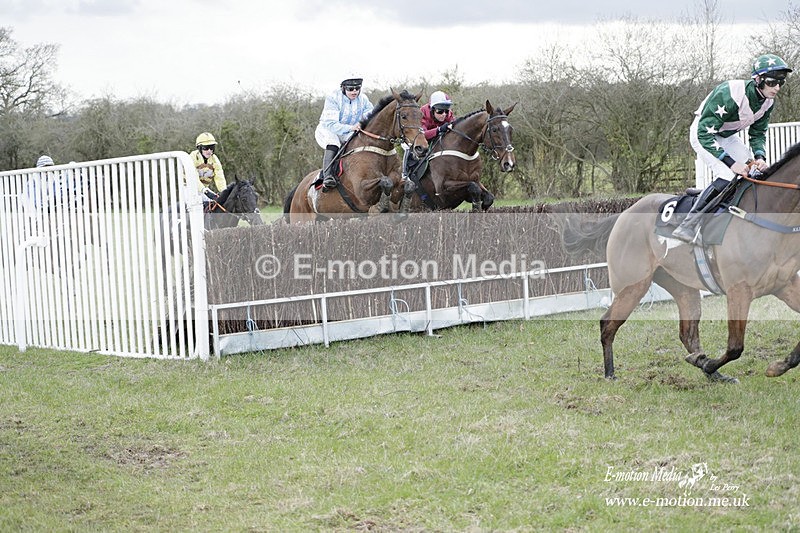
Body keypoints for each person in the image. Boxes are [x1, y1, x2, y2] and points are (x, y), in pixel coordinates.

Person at [671, 53, 792, 243]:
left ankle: (737, 217)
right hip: (703, 134)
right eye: (772, 82)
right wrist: (730, 162)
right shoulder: (730, 93)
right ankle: (688, 223)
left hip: (725, 136)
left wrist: (760, 157)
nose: (776, 87)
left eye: (781, 82)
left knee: (752, 170)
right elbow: (704, 133)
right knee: (728, 174)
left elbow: (758, 133)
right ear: (757, 79)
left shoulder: (768, 102)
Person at [315, 75, 374, 190]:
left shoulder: (363, 99)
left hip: (348, 131)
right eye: (350, 89)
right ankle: (328, 177)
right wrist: (351, 127)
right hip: (327, 129)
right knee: (334, 143)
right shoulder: (333, 98)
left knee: (359, 145)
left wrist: (364, 124)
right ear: (343, 88)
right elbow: (331, 124)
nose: (354, 92)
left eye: (357, 88)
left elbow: (370, 115)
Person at [403, 90, 455, 183]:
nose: (444, 114)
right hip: (421, 140)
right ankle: (405, 174)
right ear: (432, 109)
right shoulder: (422, 112)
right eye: (440, 111)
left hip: (439, 140)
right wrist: (438, 130)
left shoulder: (448, 115)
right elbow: (422, 134)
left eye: (446, 111)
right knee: (407, 146)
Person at [189, 132, 226, 197]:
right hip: (188, 188)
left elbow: (220, 178)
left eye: (211, 147)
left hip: (204, 190)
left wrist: (224, 193)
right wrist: (205, 191)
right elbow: (193, 179)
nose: (209, 151)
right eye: (206, 148)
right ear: (199, 148)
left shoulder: (215, 160)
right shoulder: (192, 157)